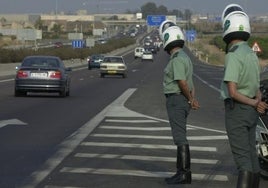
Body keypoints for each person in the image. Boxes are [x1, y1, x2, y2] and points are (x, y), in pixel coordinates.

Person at [220, 4, 268, 188]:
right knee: (251, 157)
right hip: (251, 112)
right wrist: (257, 103)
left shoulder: (232, 55)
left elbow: (232, 92)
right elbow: (257, 88)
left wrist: (254, 102)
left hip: (237, 111)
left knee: (243, 161)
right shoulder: (251, 54)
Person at [161, 25, 200, 184]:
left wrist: (190, 99)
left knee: (180, 137)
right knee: (180, 136)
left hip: (177, 100)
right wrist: (192, 99)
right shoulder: (185, 57)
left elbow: (182, 82)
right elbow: (191, 83)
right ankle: (182, 172)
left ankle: (184, 173)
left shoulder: (177, 59)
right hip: (182, 100)